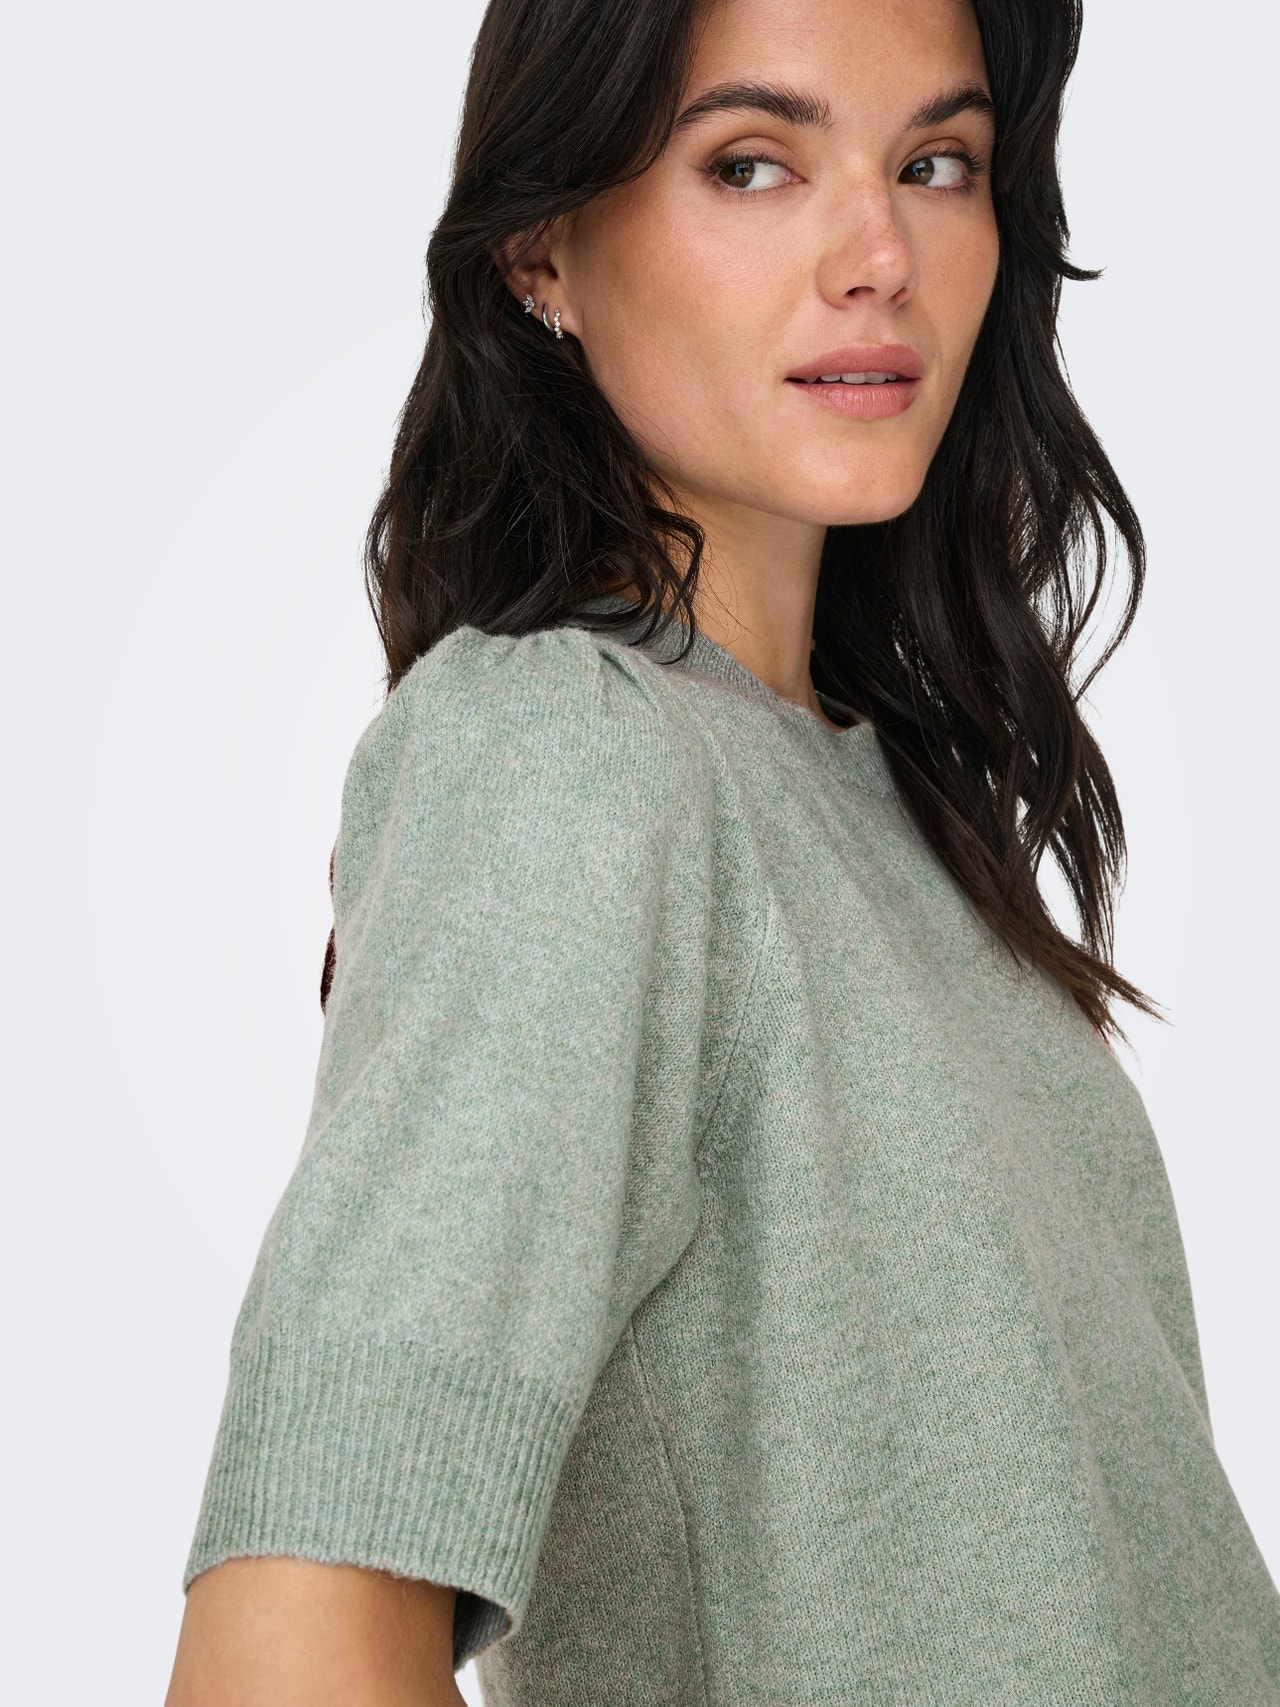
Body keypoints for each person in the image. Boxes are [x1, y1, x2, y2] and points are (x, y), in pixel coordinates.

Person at [164, 0, 1280, 1701]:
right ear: (541, 245)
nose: (880, 256)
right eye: (752, 164)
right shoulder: (563, 754)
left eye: (938, 162)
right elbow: (291, 1650)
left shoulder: (889, 803)